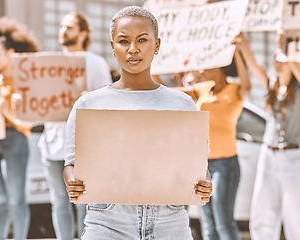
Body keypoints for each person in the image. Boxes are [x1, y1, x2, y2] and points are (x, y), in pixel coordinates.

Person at [63, 6, 212, 239]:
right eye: (123, 41)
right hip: (108, 223)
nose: (133, 49)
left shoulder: (182, 104)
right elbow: (71, 163)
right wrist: (73, 182)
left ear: (157, 45)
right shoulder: (88, 104)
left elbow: (198, 167)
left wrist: (204, 184)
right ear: (113, 47)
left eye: (142, 40)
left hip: (170, 223)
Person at [239, 32, 300, 240]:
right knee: (263, 211)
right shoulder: (273, 87)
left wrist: (288, 48)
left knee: (298, 214)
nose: (277, 63)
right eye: (275, 59)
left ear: (291, 62)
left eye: (281, 60)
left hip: (293, 156)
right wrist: (242, 45)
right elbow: (254, 65)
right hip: (268, 155)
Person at [168, 33, 251, 240]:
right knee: (209, 223)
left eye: (207, 66)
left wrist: (239, 52)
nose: (202, 71)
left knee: (224, 222)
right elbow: (173, 93)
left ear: (220, 67)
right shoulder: (201, 89)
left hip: (225, 164)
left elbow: (247, 84)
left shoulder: (234, 90)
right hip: (201, 165)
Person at [37, 12, 112, 240]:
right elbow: (38, 104)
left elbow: (109, 103)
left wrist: (91, 98)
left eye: (68, 27)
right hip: (52, 145)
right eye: (61, 26)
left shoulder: (96, 63)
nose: (63, 30)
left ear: (83, 33)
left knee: (83, 202)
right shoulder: (48, 65)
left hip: (84, 148)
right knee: (59, 202)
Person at [0, 17, 39, 240]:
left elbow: (31, 120)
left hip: (16, 140)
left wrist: (8, 111)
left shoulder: (24, 83)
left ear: (11, 53)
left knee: (17, 198)